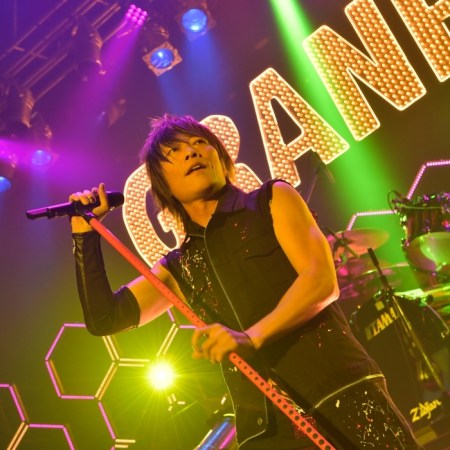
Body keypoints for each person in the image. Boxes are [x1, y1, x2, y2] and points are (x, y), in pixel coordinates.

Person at [69, 114, 420, 449]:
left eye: (199, 143)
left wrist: (251, 338)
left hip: (339, 393)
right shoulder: (179, 266)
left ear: (221, 158)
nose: (191, 152)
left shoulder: (271, 199)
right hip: (266, 430)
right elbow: (105, 319)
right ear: (163, 185)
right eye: (174, 151)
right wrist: (85, 236)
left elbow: (320, 280)